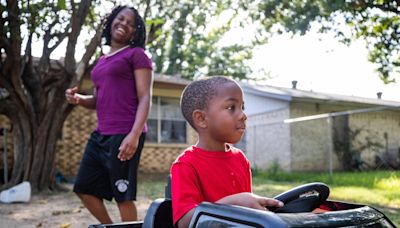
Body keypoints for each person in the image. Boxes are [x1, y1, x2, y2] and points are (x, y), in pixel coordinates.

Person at [65, 5, 153, 224]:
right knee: (84, 188)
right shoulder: (102, 61)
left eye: (130, 23)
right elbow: (99, 99)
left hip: (125, 132)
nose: (124, 24)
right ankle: (110, 227)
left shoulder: (137, 55)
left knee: (122, 195)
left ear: (135, 32)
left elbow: (145, 97)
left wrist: (134, 134)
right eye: (120, 19)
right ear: (112, 21)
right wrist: (79, 100)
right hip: (101, 133)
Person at [171, 76, 284, 227]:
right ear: (201, 118)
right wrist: (235, 202)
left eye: (242, 107)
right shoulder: (185, 165)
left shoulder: (240, 159)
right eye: (231, 108)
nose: (243, 115)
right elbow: (185, 222)